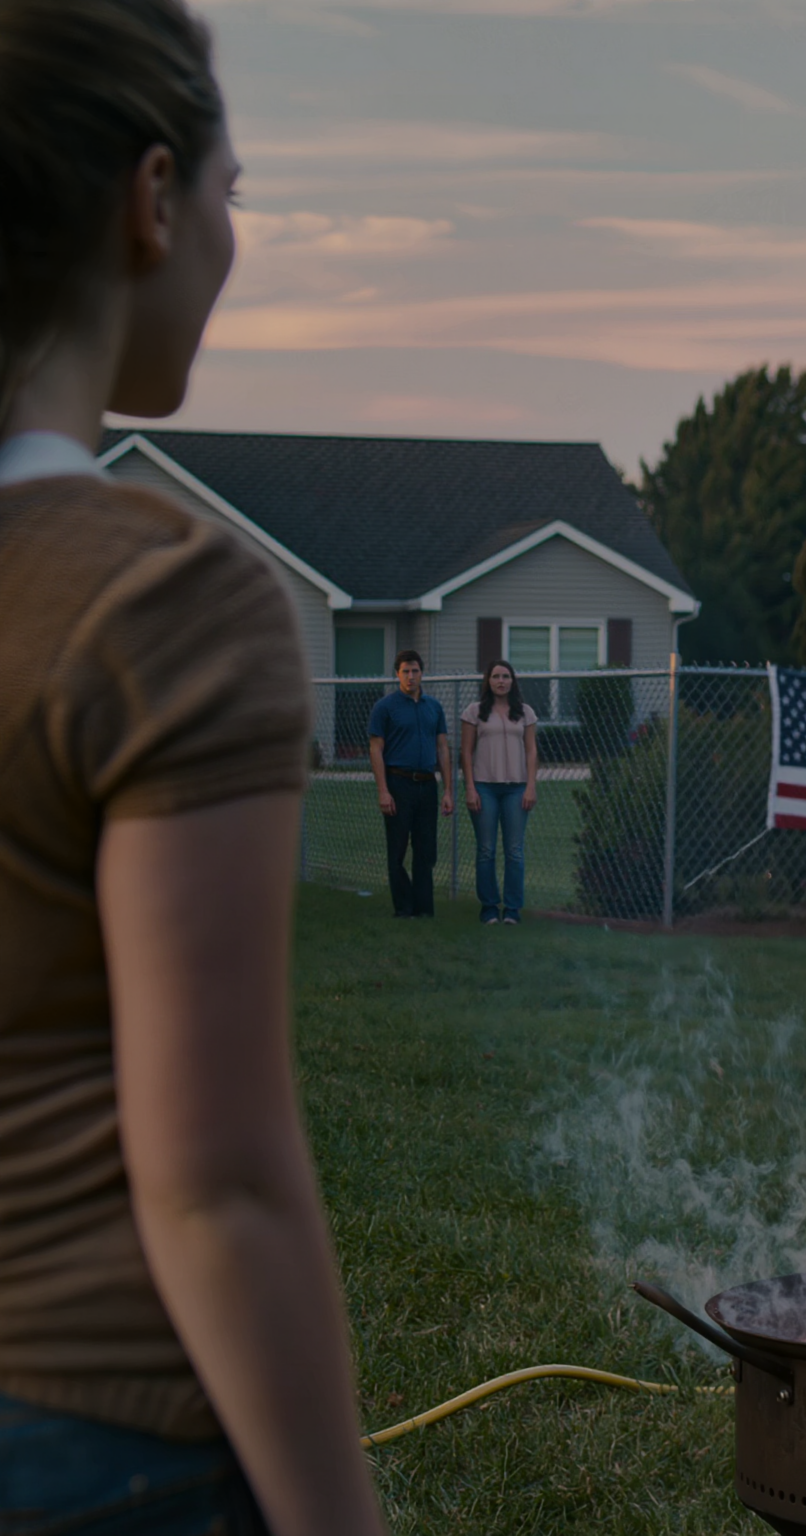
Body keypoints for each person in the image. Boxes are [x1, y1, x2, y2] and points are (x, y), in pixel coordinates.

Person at [0, 2, 386, 1531]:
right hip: (91, 1437)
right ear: (149, 201)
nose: (233, 237)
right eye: (235, 192)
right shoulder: (163, 603)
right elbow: (214, 1184)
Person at [367, 649, 453, 918]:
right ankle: (404, 908)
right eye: (405, 671)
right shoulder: (385, 708)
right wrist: (383, 791)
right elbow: (376, 749)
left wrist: (448, 791)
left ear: (422, 673)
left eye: (415, 671)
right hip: (398, 784)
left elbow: (442, 748)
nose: (411, 676)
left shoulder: (434, 707)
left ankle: (424, 908)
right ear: (397, 674)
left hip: (427, 785)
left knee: (426, 850)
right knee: (398, 849)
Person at [460, 659, 539, 925]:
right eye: (496, 676)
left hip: (516, 789)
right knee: (486, 850)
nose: (501, 681)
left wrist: (530, 786)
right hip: (484, 787)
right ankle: (489, 907)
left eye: (505, 676)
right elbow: (466, 753)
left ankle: (512, 909)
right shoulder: (474, 712)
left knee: (514, 851)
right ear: (488, 681)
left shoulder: (525, 712)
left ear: (513, 681)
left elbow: (531, 751)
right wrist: (470, 788)